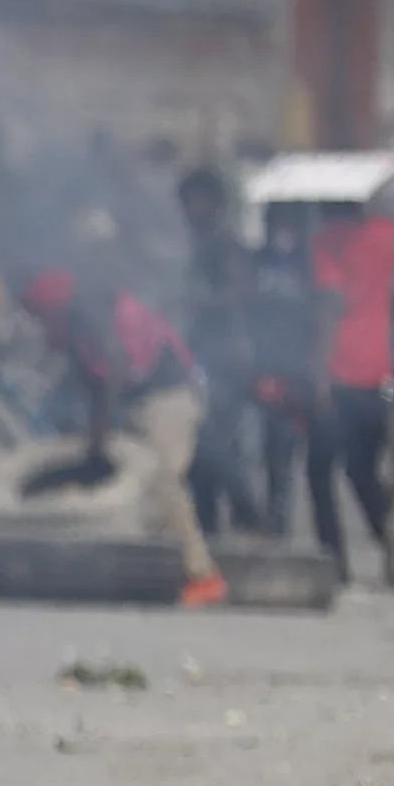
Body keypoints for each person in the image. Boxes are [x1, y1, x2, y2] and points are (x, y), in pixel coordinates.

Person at [18, 267, 227, 606]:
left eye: (40, 317)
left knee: (162, 480)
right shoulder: (72, 330)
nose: (38, 326)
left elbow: (114, 367)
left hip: (167, 396)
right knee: (130, 483)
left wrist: (105, 420)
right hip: (137, 399)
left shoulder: (92, 318)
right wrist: (96, 433)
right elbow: (91, 381)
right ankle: (157, 572)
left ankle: (203, 576)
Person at [310, 201, 394, 586]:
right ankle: (387, 531)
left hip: (341, 372)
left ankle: (333, 561)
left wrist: (319, 374)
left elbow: (329, 307)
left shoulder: (326, 242)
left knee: (319, 470)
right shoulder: (388, 234)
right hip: (379, 370)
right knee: (362, 468)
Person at [176, 167, 265, 536]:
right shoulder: (193, 244)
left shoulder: (226, 244)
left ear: (214, 202)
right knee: (198, 450)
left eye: (199, 199)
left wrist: (200, 302)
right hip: (199, 356)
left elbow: (240, 292)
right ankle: (208, 527)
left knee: (215, 444)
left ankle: (251, 515)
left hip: (227, 358)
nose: (192, 208)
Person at [248, 204, 332, 539]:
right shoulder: (254, 263)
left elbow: (322, 319)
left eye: (289, 223)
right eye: (276, 223)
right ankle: (277, 534)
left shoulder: (313, 264)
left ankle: (330, 546)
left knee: (320, 469)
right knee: (276, 463)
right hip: (270, 374)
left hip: (307, 374)